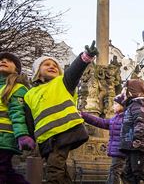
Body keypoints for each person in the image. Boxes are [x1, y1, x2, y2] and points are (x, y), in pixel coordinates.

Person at [24, 41, 98, 183]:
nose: (52, 66)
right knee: (59, 169)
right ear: (37, 72)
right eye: (46, 64)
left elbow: (74, 72)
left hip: (65, 132)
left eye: (55, 66)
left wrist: (85, 57)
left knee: (54, 168)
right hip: (46, 138)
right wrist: (31, 139)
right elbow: (30, 118)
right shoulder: (29, 94)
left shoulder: (62, 82)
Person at [0, 52, 35, 184]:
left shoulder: (16, 88)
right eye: (1, 59)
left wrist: (22, 135)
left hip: (5, 138)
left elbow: (17, 113)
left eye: (9, 60)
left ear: (16, 69)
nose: (3, 61)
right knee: (7, 173)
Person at [81, 95, 126, 184]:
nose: (113, 106)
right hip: (116, 151)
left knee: (115, 172)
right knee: (117, 172)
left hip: (120, 151)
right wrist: (84, 116)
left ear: (123, 105)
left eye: (116, 104)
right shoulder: (116, 118)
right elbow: (102, 122)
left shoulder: (126, 118)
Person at [119, 79, 144, 184]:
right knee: (127, 172)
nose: (123, 92)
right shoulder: (132, 105)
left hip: (138, 146)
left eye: (125, 90)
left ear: (131, 91)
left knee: (137, 170)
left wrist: (136, 141)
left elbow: (140, 124)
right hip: (131, 145)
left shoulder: (138, 105)